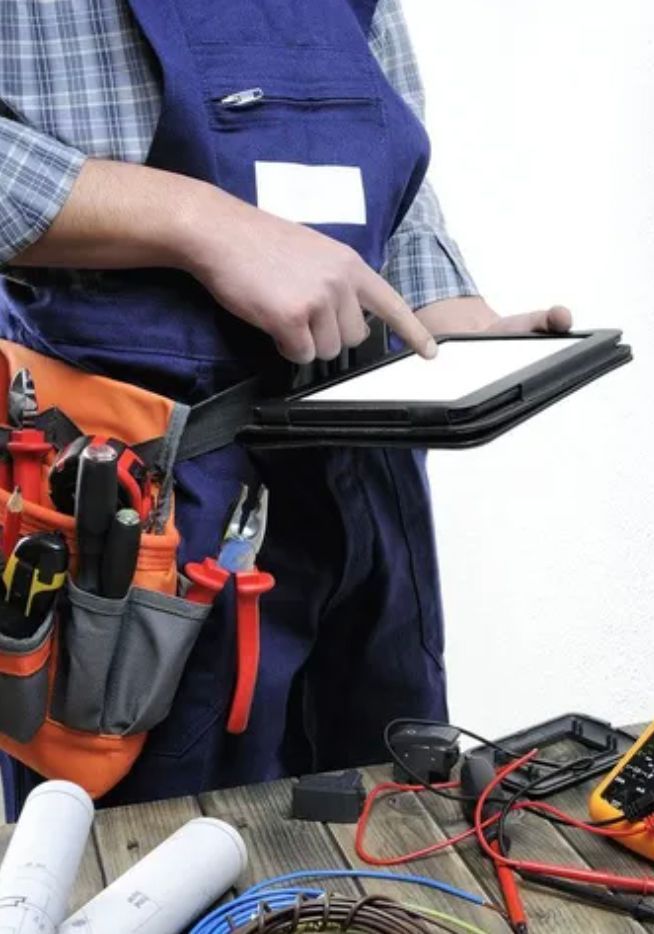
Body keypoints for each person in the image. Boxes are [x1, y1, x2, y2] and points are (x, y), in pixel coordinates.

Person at [0, 0, 571, 814]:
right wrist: (199, 222)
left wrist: (450, 319)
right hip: (144, 497)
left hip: (363, 473)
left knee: (390, 809)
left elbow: (393, 188)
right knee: (153, 843)